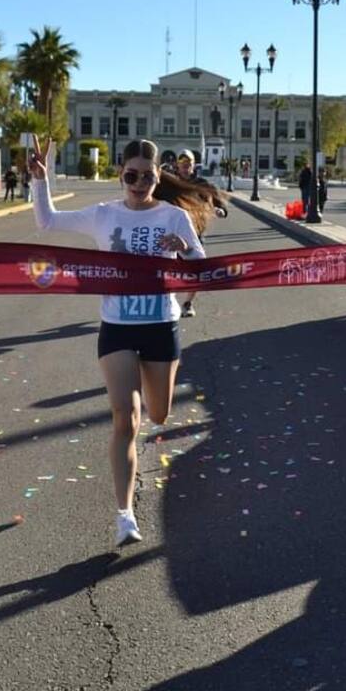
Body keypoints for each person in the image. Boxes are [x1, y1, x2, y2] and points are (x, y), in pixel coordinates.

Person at [30, 137, 208, 547]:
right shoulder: (103, 215)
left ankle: (145, 394)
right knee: (125, 418)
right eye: (131, 174)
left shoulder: (174, 217)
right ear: (120, 175)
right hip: (118, 327)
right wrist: (40, 182)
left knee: (159, 414)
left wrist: (184, 251)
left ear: (158, 175)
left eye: (147, 175)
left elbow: (202, 267)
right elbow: (47, 222)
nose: (139, 182)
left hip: (161, 325)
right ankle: (124, 514)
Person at [173, 149, 229, 318]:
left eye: (188, 164)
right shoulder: (170, 183)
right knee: (169, 271)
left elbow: (221, 205)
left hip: (195, 234)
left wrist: (220, 210)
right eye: (183, 164)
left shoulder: (203, 184)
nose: (185, 167)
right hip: (172, 235)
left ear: (193, 165)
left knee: (198, 270)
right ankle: (169, 301)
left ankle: (188, 303)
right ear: (177, 165)